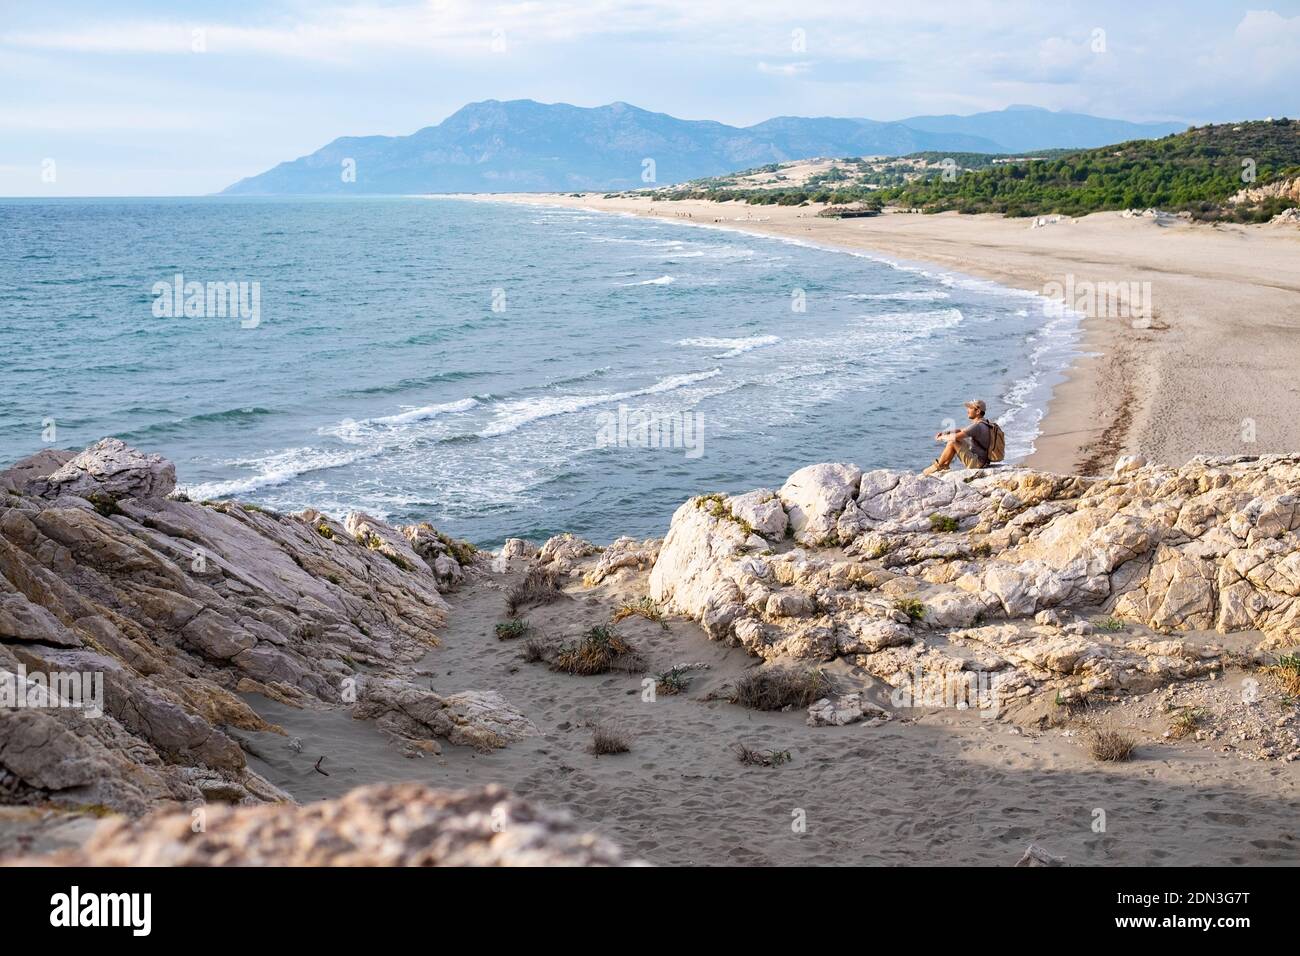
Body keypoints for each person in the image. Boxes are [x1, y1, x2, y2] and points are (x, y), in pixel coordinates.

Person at [922, 399, 994, 475]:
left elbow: (954, 437)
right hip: (983, 461)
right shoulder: (984, 423)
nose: (967, 410)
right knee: (959, 440)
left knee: (952, 442)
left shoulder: (977, 426)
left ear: (978, 411)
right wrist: (946, 432)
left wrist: (941, 437)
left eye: (970, 408)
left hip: (977, 464)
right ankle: (945, 465)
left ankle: (938, 466)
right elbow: (961, 430)